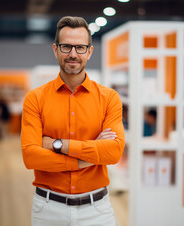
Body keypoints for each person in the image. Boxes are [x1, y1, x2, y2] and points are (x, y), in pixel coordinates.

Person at [21, 16, 125, 226]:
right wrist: (88, 156)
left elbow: (113, 152)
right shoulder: (35, 98)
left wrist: (57, 145)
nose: (73, 54)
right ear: (56, 49)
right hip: (48, 210)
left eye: (80, 47)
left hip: (96, 211)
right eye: (66, 46)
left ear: (90, 51)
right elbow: (31, 156)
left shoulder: (109, 98)